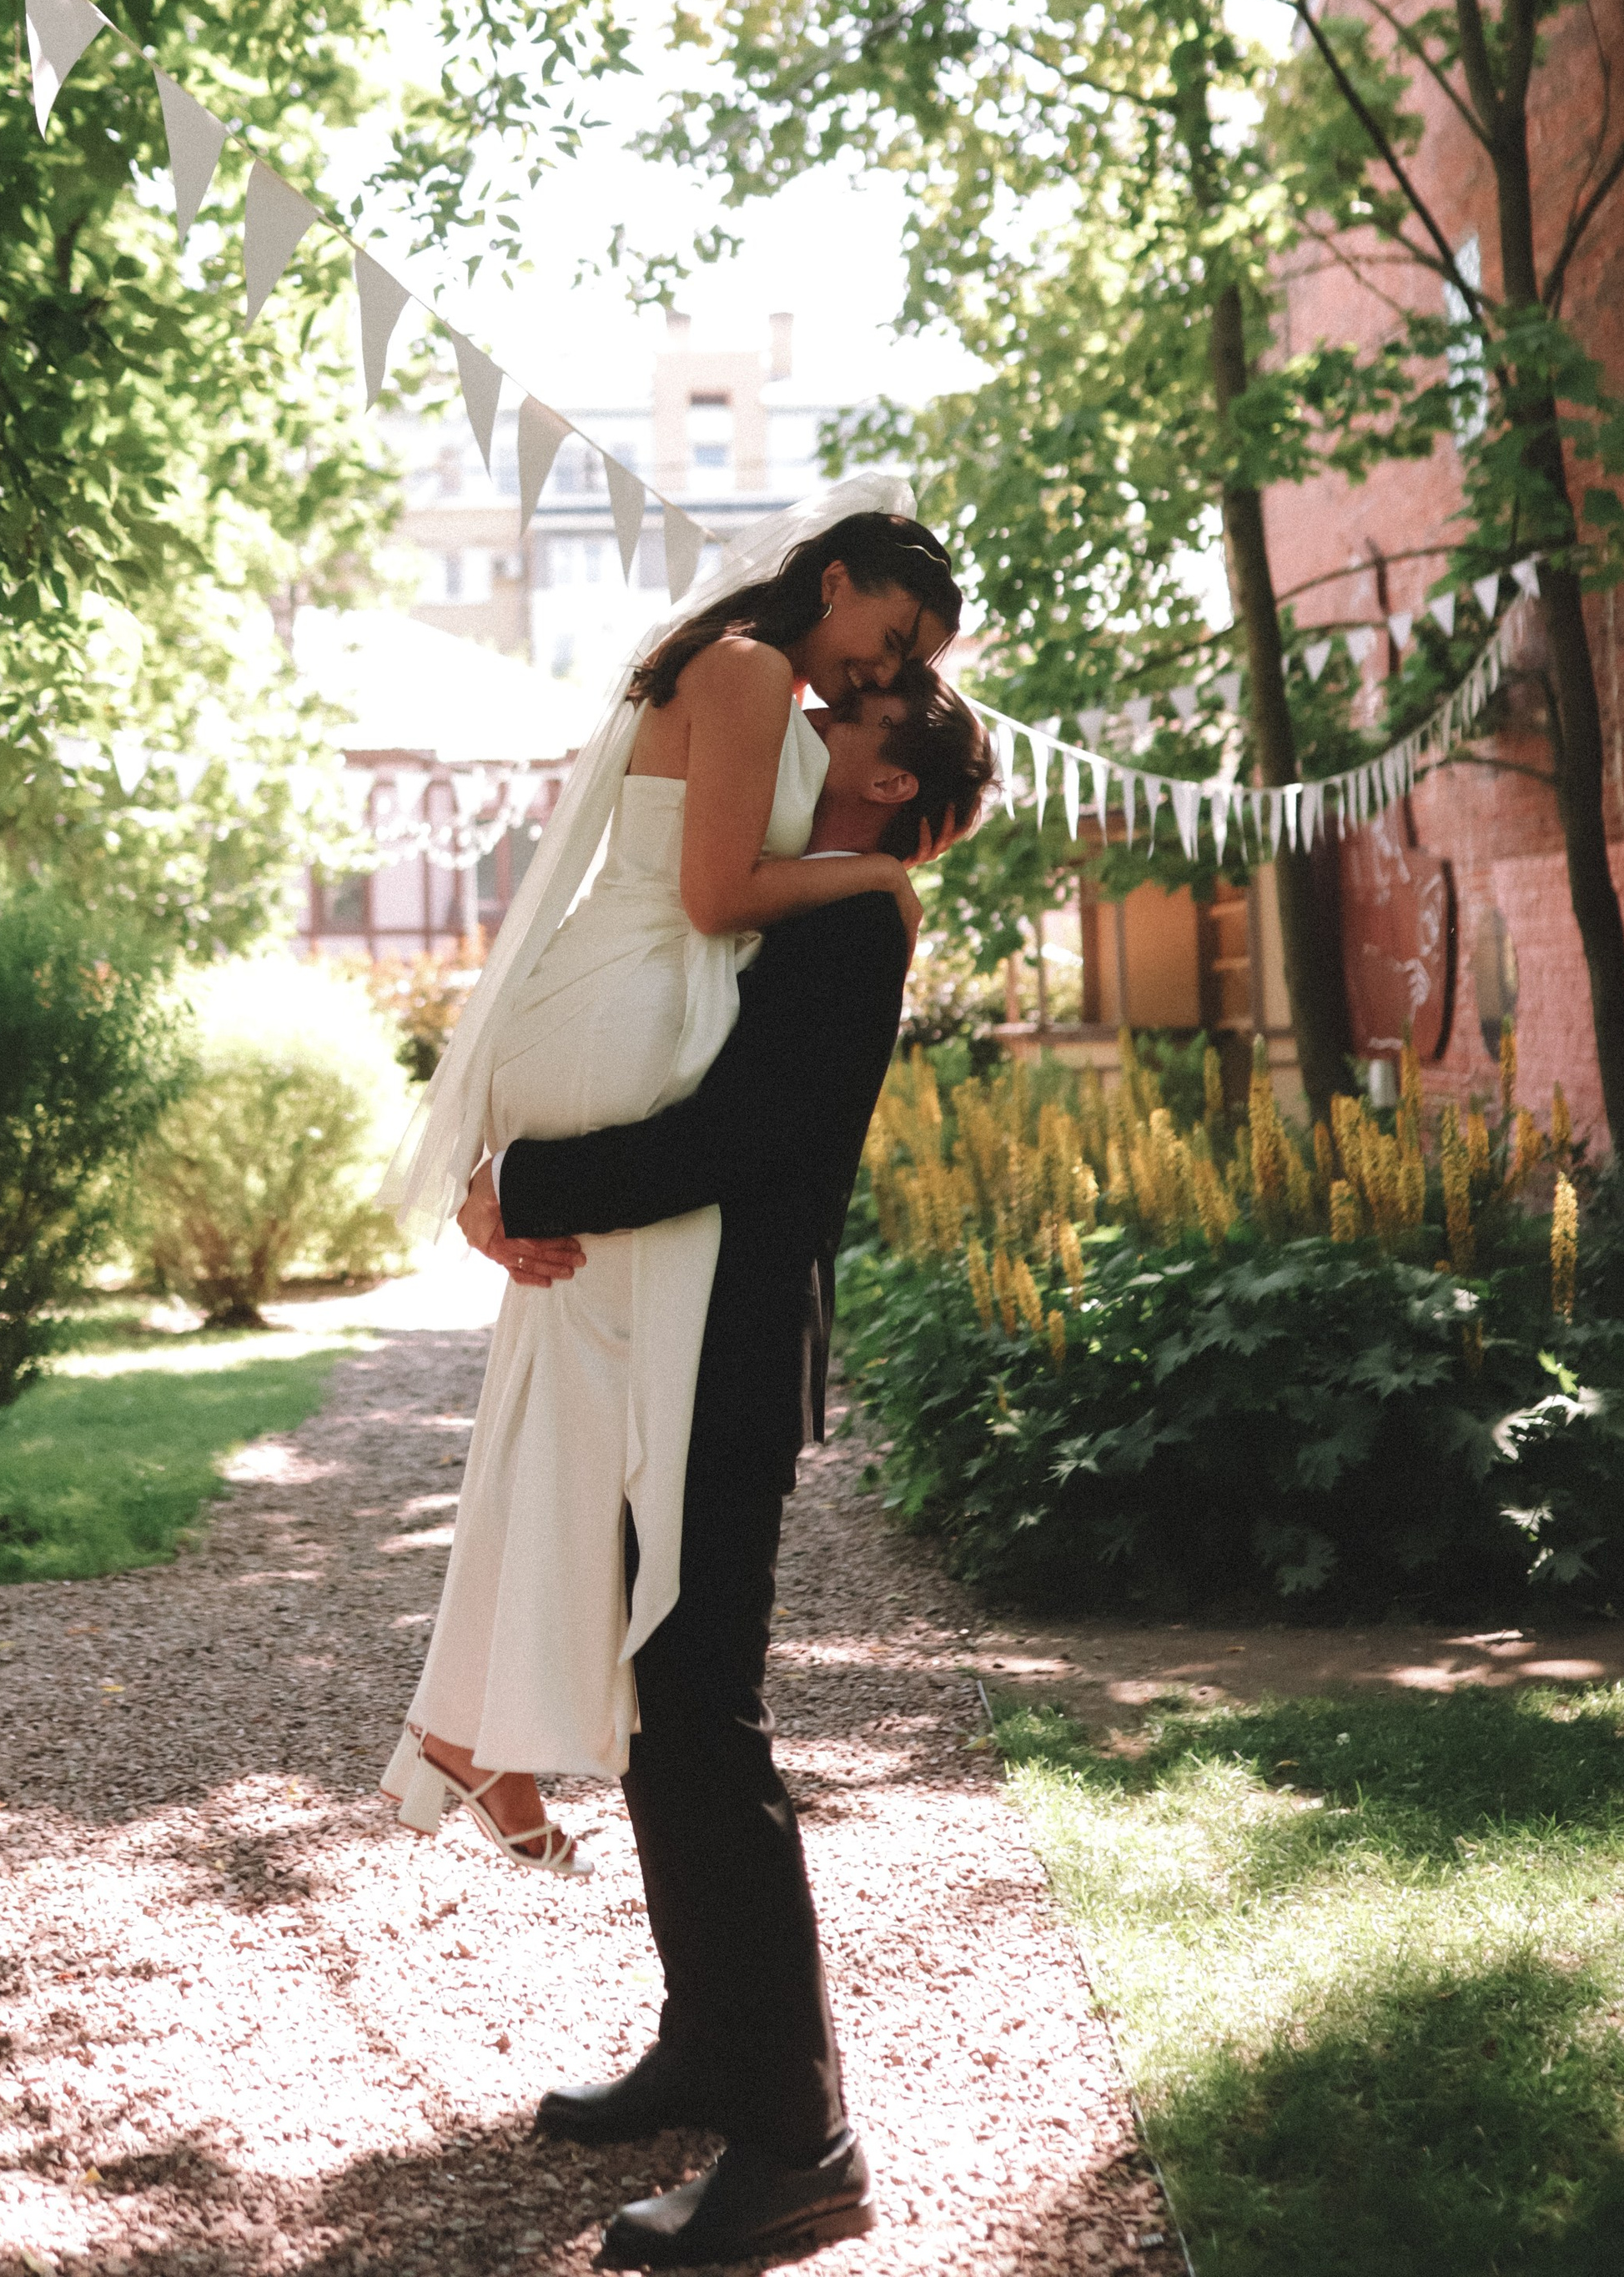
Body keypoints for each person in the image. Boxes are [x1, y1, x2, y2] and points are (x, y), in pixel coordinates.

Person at [460, 677, 998, 2269]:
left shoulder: (852, 928)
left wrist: (529, 1177)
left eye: (859, 715)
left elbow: (733, 1137)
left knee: (709, 1716)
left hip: (730, 1354)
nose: (822, 715)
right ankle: (709, 2043)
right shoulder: (788, 900)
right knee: (658, 1699)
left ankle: (802, 2142)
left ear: (892, 781)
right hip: (672, 1340)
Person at [378, 481, 963, 1872]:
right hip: (636, 994)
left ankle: (474, 1742)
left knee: (565, 1392)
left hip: (614, 1002)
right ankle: (477, 1737)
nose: (892, 671)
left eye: (916, 660)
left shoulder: (737, 661)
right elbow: (715, 898)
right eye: (893, 635)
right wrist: (875, 886)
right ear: (834, 583)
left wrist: (517, 1182)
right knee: (601, 1405)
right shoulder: (759, 666)